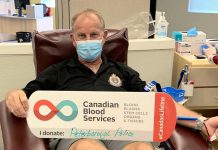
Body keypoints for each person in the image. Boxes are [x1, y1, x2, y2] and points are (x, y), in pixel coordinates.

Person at [5, 9, 218, 150]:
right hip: (76, 135)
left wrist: (200, 122)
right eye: (82, 36)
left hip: (122, 132)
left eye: (94, 35)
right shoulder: (57, 71)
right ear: (73, 40)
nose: (88, 40)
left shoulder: (123, 71)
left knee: (142, 148)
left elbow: (159, 104)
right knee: (88, 148)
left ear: (104, 37)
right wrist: (14, 95)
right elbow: (25, 94)